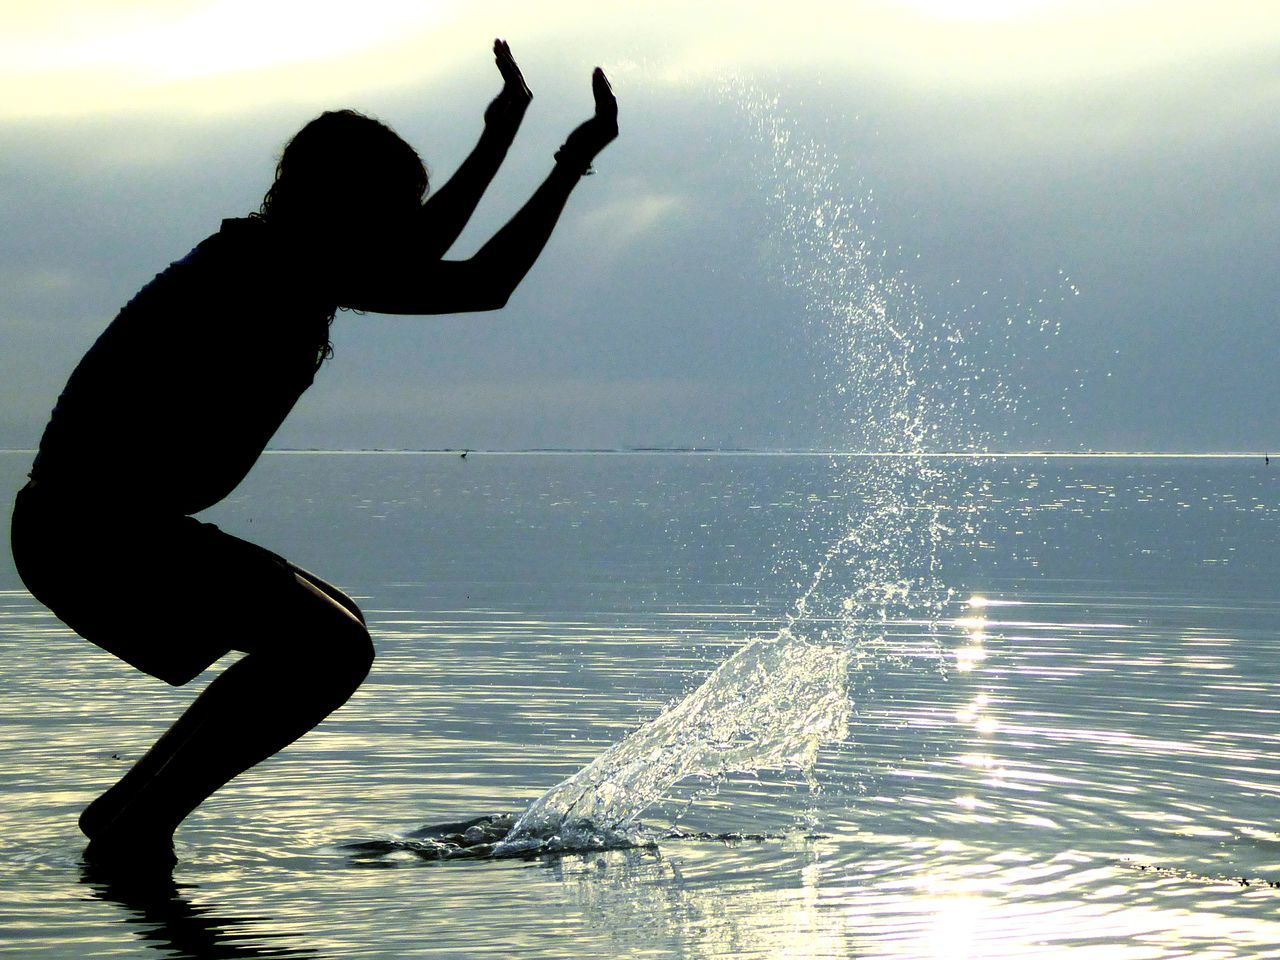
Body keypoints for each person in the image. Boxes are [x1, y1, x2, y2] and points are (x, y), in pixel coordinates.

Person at [8, 40, 618, 868]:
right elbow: (477, 281)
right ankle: (139, 827)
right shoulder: (270, 267)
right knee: (328, 647)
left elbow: (420, 253)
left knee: (335, 631)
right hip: (88, 531)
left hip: (93, 525)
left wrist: (507, 137)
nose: (403, 229)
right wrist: (562, 163)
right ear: (343, 207)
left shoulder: (284, 258)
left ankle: (128, 809)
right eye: (389, 209)